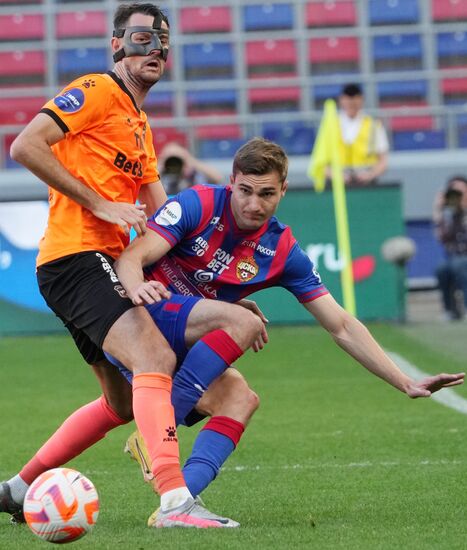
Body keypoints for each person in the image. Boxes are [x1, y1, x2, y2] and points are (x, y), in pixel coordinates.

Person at [109, 137, 463, 522]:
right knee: (245, 321)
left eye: (266, 194)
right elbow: (133, 256)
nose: (253, 204)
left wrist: (404, 382)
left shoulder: (281, 250)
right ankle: (156, 432)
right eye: (244, 191)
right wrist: (138, 289)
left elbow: (341, 325)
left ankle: (176, 506)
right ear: (231, 182)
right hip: (142, 325)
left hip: (187, 343)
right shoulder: (198, 203)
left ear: (283, 191)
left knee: (241, 400)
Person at [1, 2, 239, 529]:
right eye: (140, 38)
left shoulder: (139, 123)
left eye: (161, 41)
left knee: (122, 400)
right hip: (77, 256)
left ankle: (17, 490)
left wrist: (209, 279)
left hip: (97, 264)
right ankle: (177, 502)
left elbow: (162, 217)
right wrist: (99, 203)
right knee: (153, 353)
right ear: (116, 45)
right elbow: (25, 145)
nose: (152, 48)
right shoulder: (96, 90)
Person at [332, 83, 389, 186]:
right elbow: (321, 162)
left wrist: (370, 174)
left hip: (366, 182)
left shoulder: (373, 126)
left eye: (355, 99)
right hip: (337, 185)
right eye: (348, 99)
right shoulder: (330, 126)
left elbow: (383, 161)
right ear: (341, 100)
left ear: (361, 100)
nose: (351, 103)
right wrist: (336, 175)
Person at [433, 175, 467, 320]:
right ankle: (450, 310)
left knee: (460, 265)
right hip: (455, 259)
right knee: (442, 269)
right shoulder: (449, 215)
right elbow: (441, 238)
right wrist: (438, 210)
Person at [158, 141, 223, 195]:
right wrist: (161, 165)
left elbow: (217, 178)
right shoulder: (159, 176)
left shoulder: (193, 176)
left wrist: (189, 160)